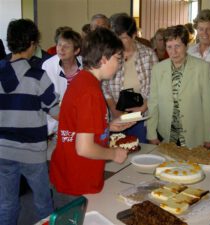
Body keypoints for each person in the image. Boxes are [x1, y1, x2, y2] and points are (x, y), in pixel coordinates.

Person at [49, 27, 134, 209]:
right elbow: (84, 148)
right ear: (103, 58)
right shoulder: (90, 92)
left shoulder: (83, 81)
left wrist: (108, 127)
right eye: (118, 59)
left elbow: (78, 127)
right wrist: (114, 154)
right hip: (76, 180)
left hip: (70, 174)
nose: (119, 65)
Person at [0, 19, 60, 225]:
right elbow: (55, 111)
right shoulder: (38, 76)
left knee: (7, 203)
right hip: (32, 153)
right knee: (43, 203)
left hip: (3, 150)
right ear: (32, 44)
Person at [147, 25, 210, 149]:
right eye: (169, 47)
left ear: (186, 46)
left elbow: (209, 104)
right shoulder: (158, 69)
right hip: (166, 135)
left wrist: (209, 136)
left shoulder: (203, 67)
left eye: (178, 46)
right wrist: (151, 133)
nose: (173, 52)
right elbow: (153, 103)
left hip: (194, 135)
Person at [102, 14, 158, 143]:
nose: (118, 42)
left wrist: (144, 107)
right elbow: (104, 86)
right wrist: (114, 109)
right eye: (116, 38)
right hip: (116, 115)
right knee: (116, 152)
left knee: (139, 152)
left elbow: (157, 87)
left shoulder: (148, 55)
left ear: (133, 35)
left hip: (141, 116)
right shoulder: (109, 55)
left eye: (123, 38)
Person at [42, 30, 82, 138]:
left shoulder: (85, 66)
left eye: (67, 46)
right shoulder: (48, 65)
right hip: (54, 127)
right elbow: (46, 100)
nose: (61, 49)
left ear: (76, 50)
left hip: (80, 124)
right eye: (59, 45)